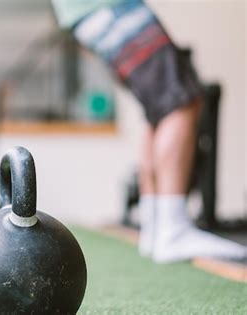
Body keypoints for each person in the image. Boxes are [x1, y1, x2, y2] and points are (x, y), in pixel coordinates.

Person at [51, 0, 246, 263]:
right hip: (106, 7)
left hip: (87, 13)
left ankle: (156, 227)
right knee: (181, 102)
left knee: (159, 107)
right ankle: (172, 230)